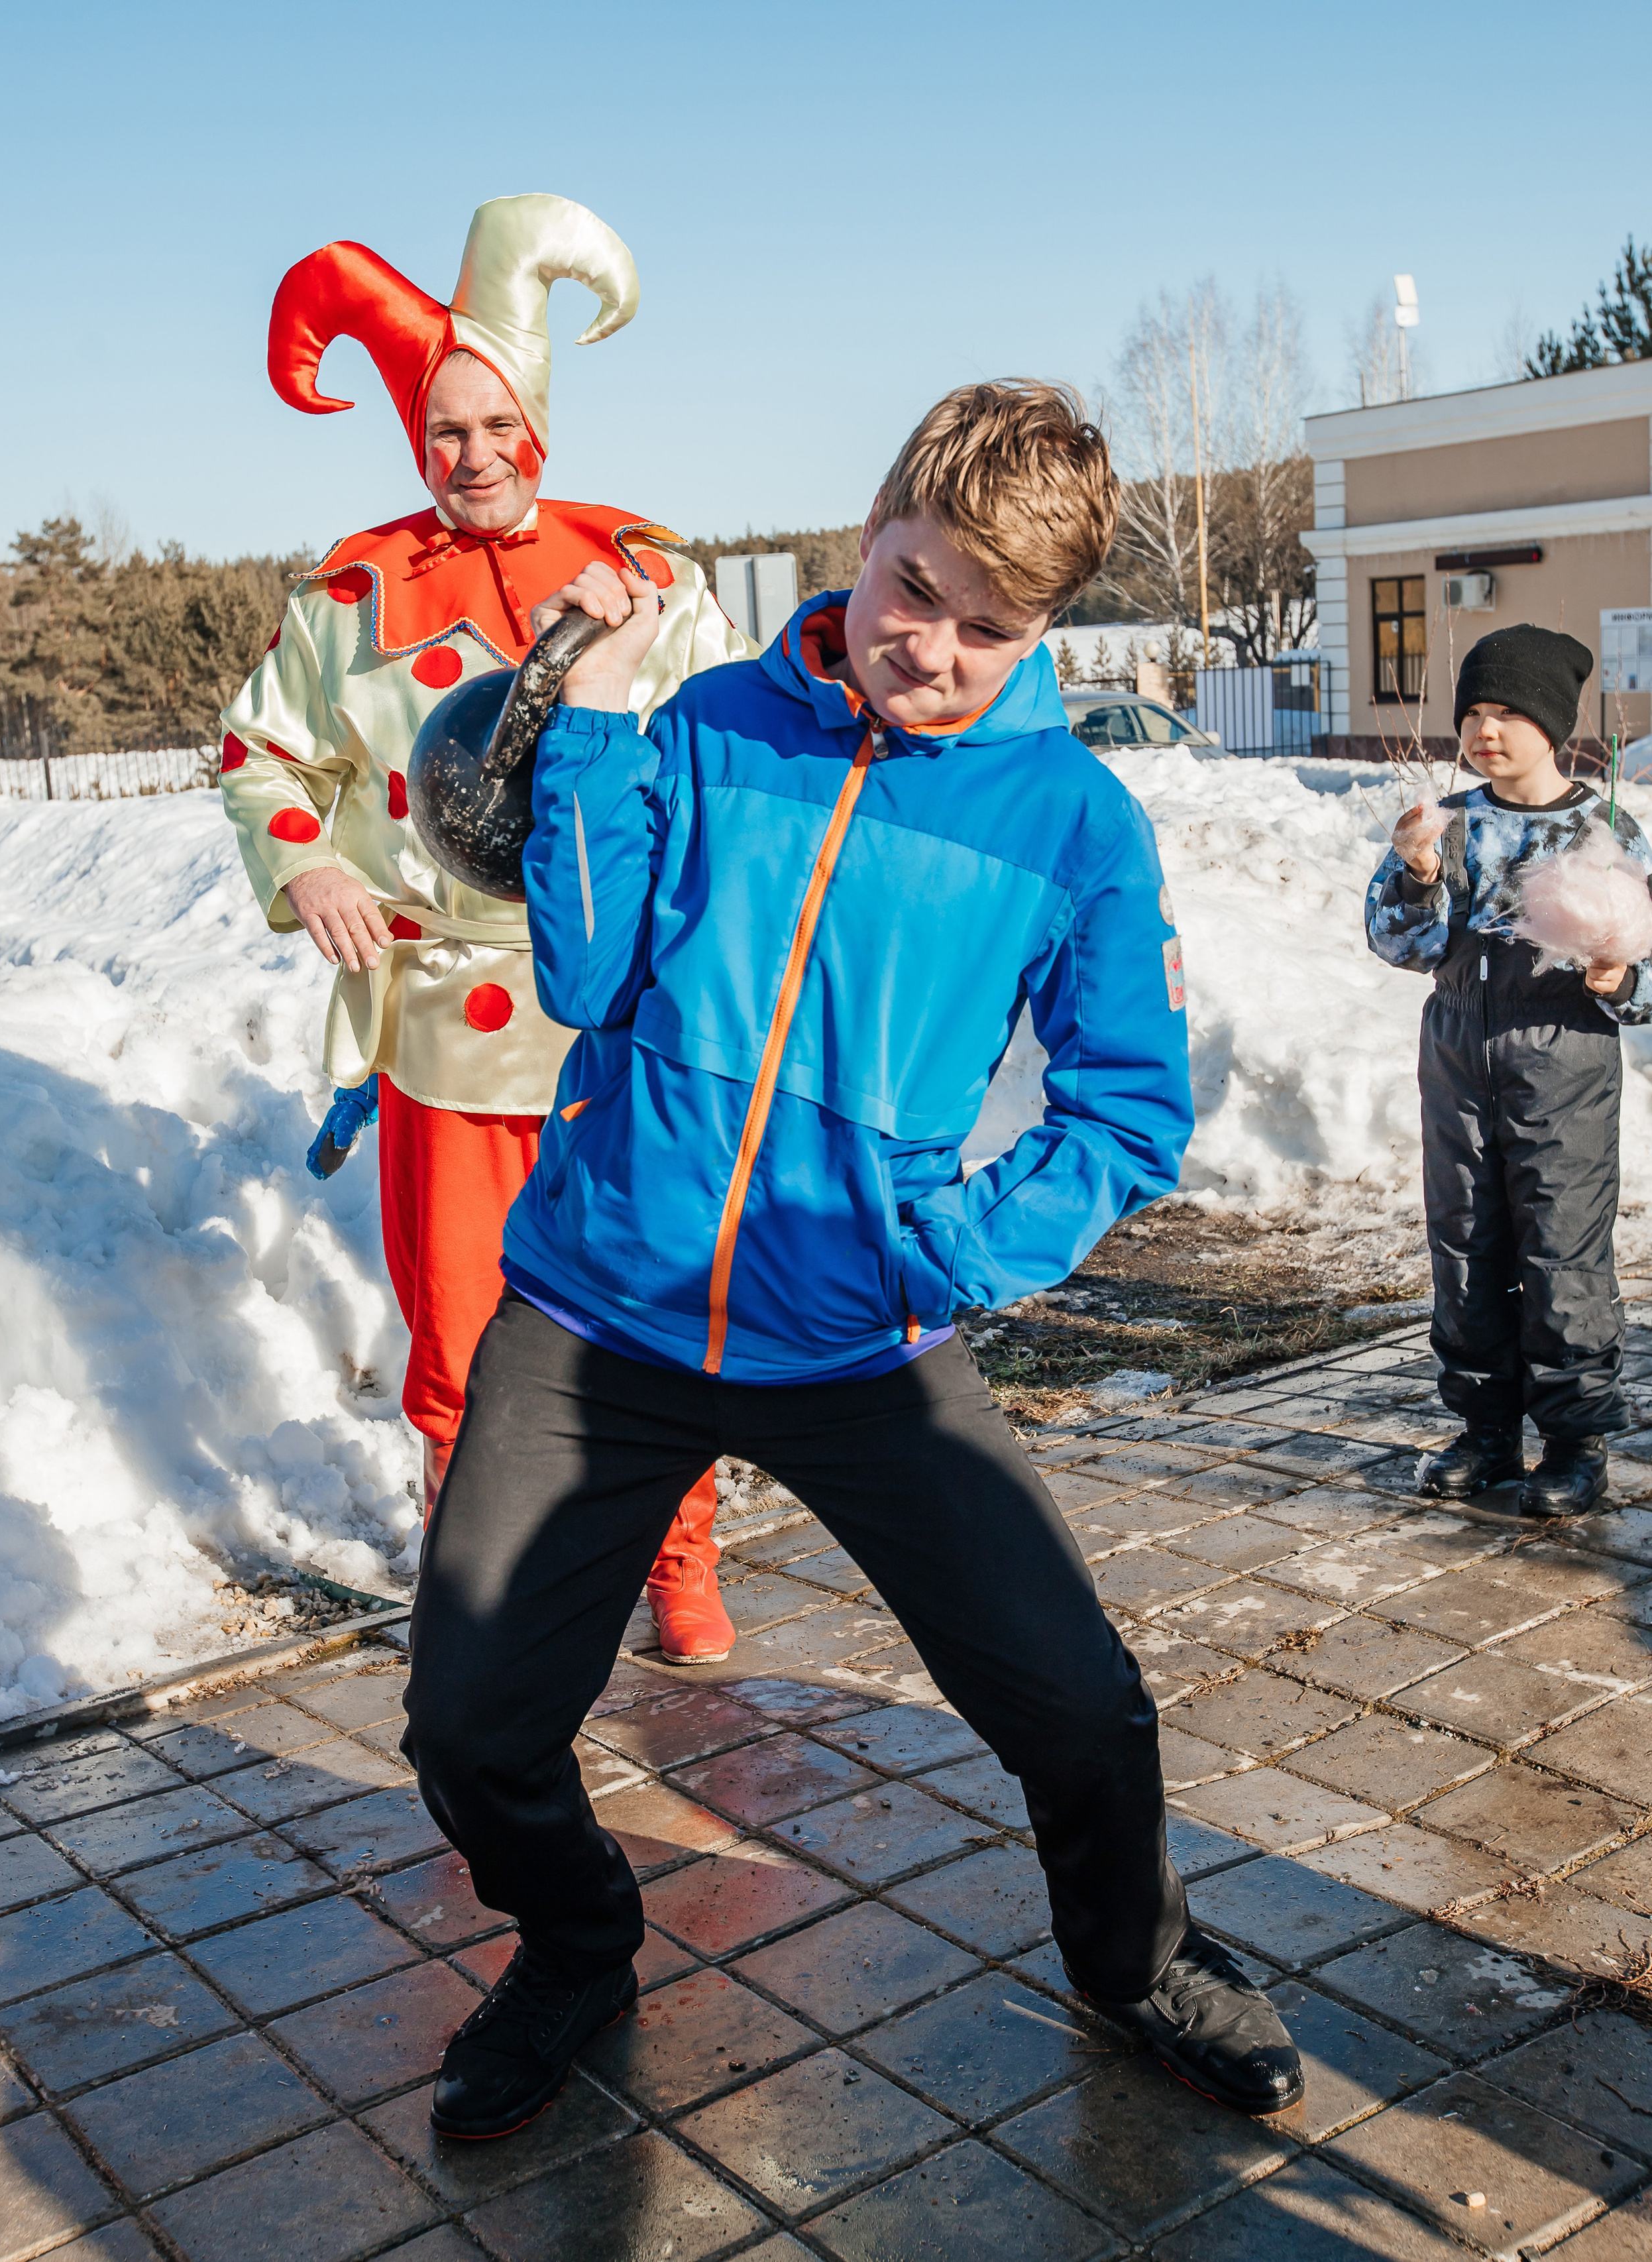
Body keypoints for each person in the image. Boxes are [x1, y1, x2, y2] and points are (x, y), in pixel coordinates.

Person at [404, 380, 1304, 2141]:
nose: (940, 649)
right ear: (868, 532)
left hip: (861, 1337)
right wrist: (586, 733)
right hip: (602, 1309)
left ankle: (1133, 1960)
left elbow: (1126, 1111)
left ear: (1043, 627)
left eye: (994, 624)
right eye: (916, 587)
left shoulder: (1069, 819)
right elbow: (586, 977)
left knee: (1082, 1711)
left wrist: (952, 1248)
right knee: (469, 1725)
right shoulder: (720, 721)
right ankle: (582, 1940)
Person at [219, 194, 749, 1664]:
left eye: (493, 422)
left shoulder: (649, 576)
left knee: (655, 1299)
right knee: (457, 1326)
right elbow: (259, 754)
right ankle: (476, 1584)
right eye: (443, 432)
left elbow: (728, 763)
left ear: (535, 422)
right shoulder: (351, 594)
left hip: (623, 1021)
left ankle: (679, 1557)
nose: (471, 457)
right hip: (445, 1019)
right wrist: (309, 864)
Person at [1366, 622, 1652, 1516]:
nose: (1487, 730)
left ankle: (1575, 1439)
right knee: (1465, 1242)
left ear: (1553, 724)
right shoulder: (1448, 824)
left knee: (1562, 1248)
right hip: (1458, 1053)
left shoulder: (1604, 826)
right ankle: (1484, 1427)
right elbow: (1397, 943)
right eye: (1475, 712)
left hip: (1562, 1058)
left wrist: (1623, 975)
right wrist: (1415, 876)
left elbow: (1644, 963)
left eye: (1508, 712)